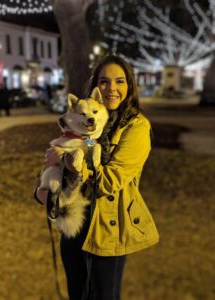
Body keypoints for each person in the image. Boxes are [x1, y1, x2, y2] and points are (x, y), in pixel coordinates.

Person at [35, 55, 159, 300]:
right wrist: (44, 190)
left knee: (104, 296)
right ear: (96, 86)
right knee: (77, 294)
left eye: (120, 81)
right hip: (74, 221)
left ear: (129, 86)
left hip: (106, 228)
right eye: (104, 81)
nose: (112, 88)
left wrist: (68, 162)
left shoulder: (136, 126)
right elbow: (55, 160)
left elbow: (109, 182)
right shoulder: (88, 121)